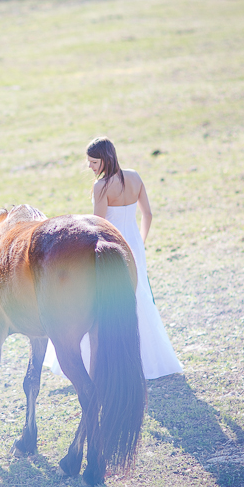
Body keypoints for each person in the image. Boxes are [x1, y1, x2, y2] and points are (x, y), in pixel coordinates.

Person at [43, 137, 183, 380]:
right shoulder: (135, 177)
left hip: (111, 245)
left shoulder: (102, 187)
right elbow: (147, 214)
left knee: (99, 301)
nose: (89, 167)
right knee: (140, 299)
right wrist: (140, 243)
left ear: (104, 159)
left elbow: (97, 225)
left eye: (93, 162)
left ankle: (93, 363)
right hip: (134, 245)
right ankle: (148, 361)